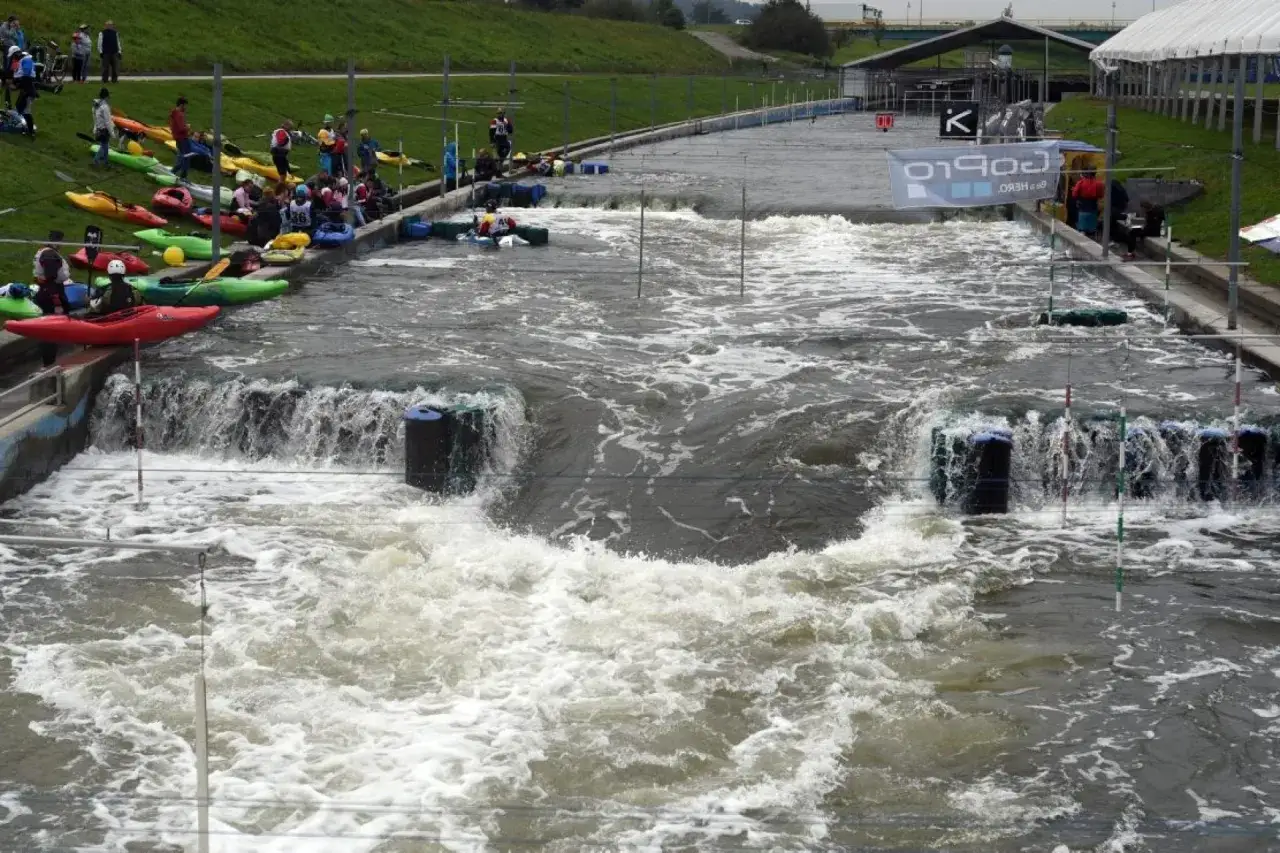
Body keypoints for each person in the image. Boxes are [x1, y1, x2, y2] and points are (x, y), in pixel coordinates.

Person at [32, 231, 71, 367]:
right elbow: (51, 278)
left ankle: (49, 360)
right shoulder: (49, 254)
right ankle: (49, 363)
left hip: (48, 291)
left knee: (50, 330)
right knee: (51, 329)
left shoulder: (46, 252)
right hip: (51, 294)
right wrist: (57, 301)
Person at [1071, 168, 1104, 238]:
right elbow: (1101, 195)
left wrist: (1074, 190)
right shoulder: (1099, 184)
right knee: (1092, 225)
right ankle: (1092, 233)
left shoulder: (1080, 183)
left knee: (1082, 226)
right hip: (1093, 206)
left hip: (1082, 206)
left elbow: (1074, 194)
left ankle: (1083, 232)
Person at [168, 96, 192, 180]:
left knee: (184, 156)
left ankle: (175, 172)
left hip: (179, 138)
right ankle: (181, 176)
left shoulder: (174, 113)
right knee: (186, 157)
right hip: (182, 139)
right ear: (182, 105)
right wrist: (187, 127)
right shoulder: (179, 115)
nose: (186, 107)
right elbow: (181, 128)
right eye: (185, 105)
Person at [12, 47, 34, 136]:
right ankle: (25, 129)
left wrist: (17, 86)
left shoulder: (26, 60)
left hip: (28, 92)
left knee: (25, 112)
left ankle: (29, 131)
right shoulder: (22, 62)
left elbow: (26, 77)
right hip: (26, 91)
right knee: (19, 109)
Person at [1107, 178, 1131, 256]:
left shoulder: (1112, 191)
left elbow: (1110, 200)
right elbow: (1127, 199)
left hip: (1115, 208)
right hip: (1120, 207)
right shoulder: (1121, 189)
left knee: (1112, 222)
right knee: (1113, 222)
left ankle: (1114, 240)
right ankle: (1114, 239)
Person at [91, 87, 112, 166]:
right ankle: (96, 161)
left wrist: (95, 128)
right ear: (106, 97)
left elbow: (95, 118)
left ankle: (106, 162)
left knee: (105, 145)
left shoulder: (95, 105)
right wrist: (112, 133)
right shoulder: (105, 107)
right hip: (104, 130)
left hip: (98, 129)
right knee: (104, 147)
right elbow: (108, 121)